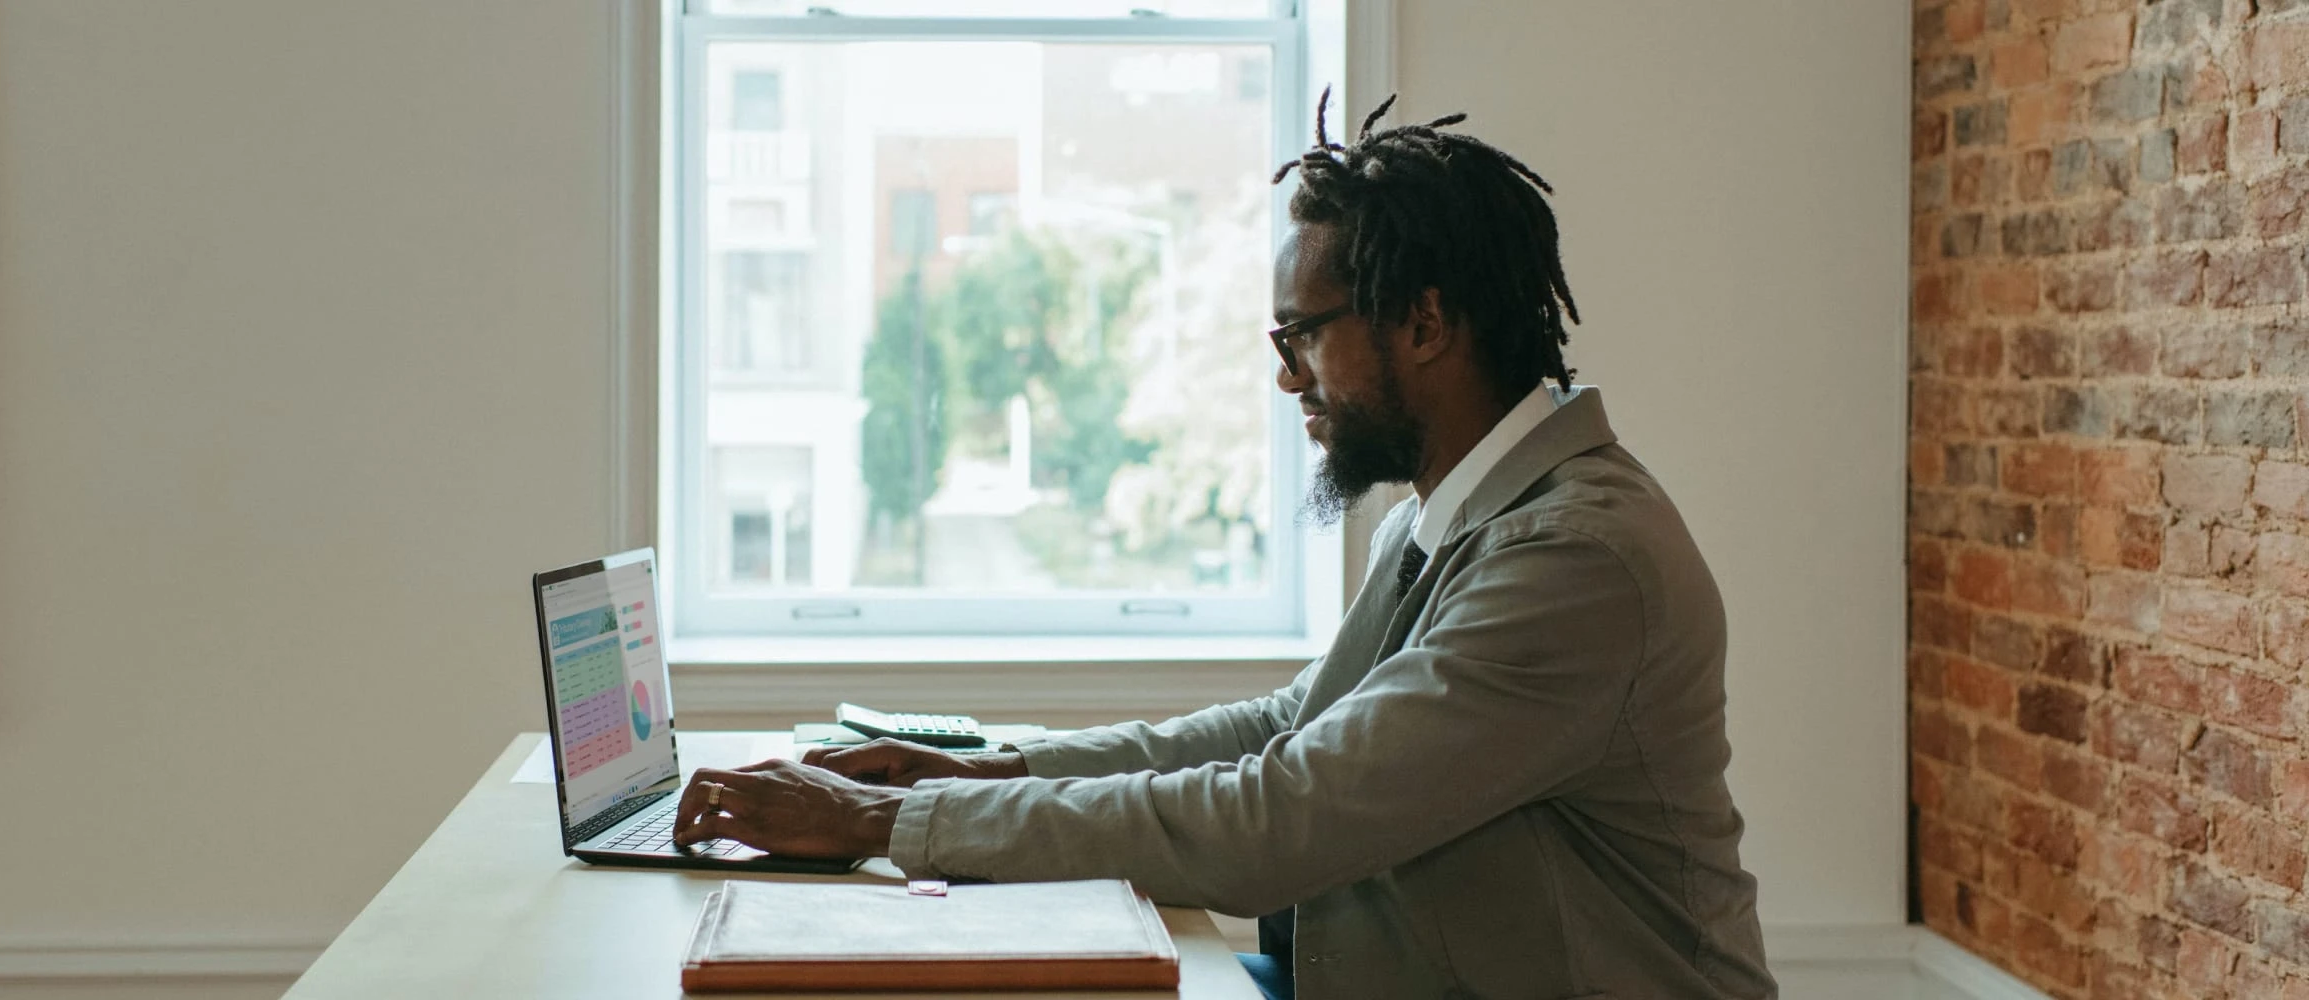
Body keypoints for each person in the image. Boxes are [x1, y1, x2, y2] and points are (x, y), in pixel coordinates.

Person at [672, 91, 1776, 1000]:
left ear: (1426, 325)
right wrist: (982, 769)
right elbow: (1289, 727)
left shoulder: (1576, 562)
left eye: (1302, 334)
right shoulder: (1454, 515)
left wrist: (897, 819)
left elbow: (1280, 815)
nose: (1287, 374)